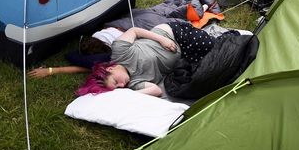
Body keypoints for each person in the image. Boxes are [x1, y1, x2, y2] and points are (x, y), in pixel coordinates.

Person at [76, 22, 216, 97]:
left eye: (115, 82)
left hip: (172, 35)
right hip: (183, 56)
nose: (121, 85)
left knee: (212, 46)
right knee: (214, 63)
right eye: (117, 88)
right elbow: (156, 90)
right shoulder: (134, 84)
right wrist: (126, 96)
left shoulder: (119, 53)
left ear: (110, 69)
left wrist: (162, 40)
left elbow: (134, 30)